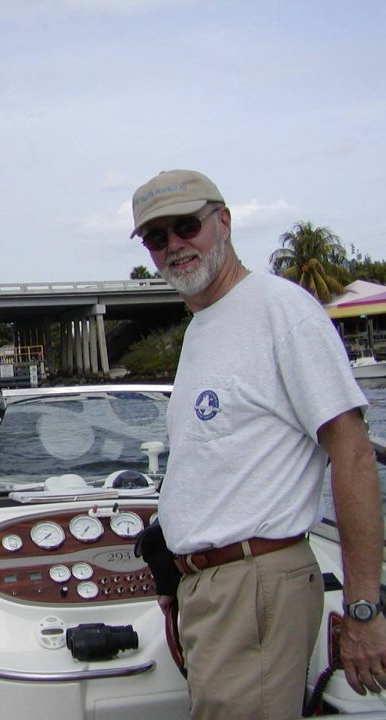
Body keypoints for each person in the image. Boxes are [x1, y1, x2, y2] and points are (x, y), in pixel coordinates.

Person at [130, 169, 386, 719]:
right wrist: (176, 572)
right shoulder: (204, 326)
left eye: (186, 226)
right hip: (211, 592)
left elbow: (354, 452)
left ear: (222, 222)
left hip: (253, 587)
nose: (174, 246)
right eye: (156, 237)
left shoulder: (281, 311)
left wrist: (363, 608)